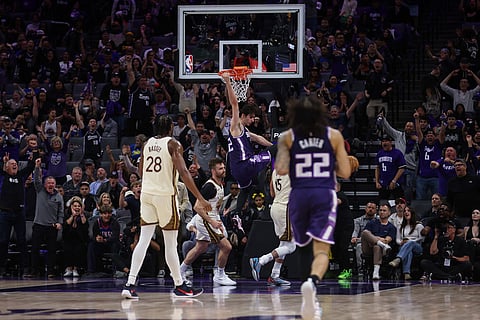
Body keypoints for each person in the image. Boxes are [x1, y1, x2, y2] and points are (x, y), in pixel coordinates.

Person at [274, 94, 351, 319]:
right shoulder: (333, 135)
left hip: (298, 195)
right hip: (322, 193)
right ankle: (311, 283)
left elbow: (280, 169)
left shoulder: (288, 137)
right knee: (322, 249)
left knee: (303, 246)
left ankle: (308, 291)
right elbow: (345, 172)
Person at [121, 115, 212, 299]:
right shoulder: (173, 144)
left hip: (146, 194)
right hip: (164, 196)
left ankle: (129, 284)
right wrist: (200, 198)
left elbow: (139, 171)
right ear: (171, 128)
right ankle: (180, 285)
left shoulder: (147, 144)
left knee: (144, 239)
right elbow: (185, 172)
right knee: (171, 243)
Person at [222, 73, 274, 215]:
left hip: (237, 170)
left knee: (245, 189)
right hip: (245, 164)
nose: (253, 120)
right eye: (251, 117)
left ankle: (236, 215)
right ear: (243, 116)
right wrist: (228, 82)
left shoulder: (244, 131)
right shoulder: (236, 126)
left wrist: (271, 145)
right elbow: (234, 103)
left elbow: (257, 138)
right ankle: (269, 206)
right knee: (273, 154)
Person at [179, 158, 236, 286]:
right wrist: (212, 222)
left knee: (201, 247)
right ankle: (219, 274)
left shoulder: (220, 183)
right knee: (226, 246)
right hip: (205, 220)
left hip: (212, 218)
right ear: (213, 171)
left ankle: (180, 271)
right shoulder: (209, 186)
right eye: (220, 168)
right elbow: (197, 207)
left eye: (224, 168)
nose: (223, 170)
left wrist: (217, 220)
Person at [249, 169, 296, 286]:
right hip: (286, 208)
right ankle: (260, 260)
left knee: (283, 244)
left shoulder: (275, 170)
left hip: (275, 206)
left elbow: (272, 193)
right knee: (291, 246)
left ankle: (274, 275)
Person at [0, 153, 35, 277]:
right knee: (3, 241)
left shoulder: (21, 176)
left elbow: (30, 167)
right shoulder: (3, 176)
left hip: (19, 213)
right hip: (5, 213)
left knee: (22, 241)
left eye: (16, 164)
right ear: (7, 167)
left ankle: (25, 268)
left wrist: (34, 155)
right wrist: (4, 162)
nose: (15, 165)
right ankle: (2, 268)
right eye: (12, 164)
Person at [29, 158, 64, 278]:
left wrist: (60, 222)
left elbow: (61, 211)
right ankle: (34, 271)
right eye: (48, 183)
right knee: (35, 249)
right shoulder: (40, 190)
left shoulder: (59, 196)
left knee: (52, 250)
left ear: (55, 185)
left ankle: (50, 271)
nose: (50, 185)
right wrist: (37, 167)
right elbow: (36, 180)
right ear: (45, 185)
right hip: (39, 224)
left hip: (52, 226)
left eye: (52, 183)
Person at [360, 203, 397, 280]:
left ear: (389, 213)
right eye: (380, 210)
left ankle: (376, 272)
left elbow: (387, 240)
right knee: (365, 232)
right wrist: (379, 239)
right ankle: (379, 244)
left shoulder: (391, 227)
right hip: (368, 248)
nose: (382, 212)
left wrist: (374, 238)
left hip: (383, 249)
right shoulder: (372, 223)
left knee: (377, 247)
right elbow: (366, 235)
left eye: (384, 210)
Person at [389, 206, 424, 280]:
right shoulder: (401, 227)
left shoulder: (419, 225)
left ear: (412, 213)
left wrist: (410, 241)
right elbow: (398, 239)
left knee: (410, 243)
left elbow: (421, 238)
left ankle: (398, 259)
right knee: (409, 251)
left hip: (417, 247)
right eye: (405, 211)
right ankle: (406, 274)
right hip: (405, 247)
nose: (406, 212)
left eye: (408, 211)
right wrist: (401, 242)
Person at [62, 196, 88, 277]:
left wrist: (81, 215)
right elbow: (66, 226)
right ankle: (69, 268)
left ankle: (76, 269)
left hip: (80, 239)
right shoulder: (67, 215)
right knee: (67, 247)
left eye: (79, 206)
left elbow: (85, 227)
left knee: (79, 248)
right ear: (71, 207)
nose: (77, 207)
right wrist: (73, 216)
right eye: (75, 206)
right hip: (68, 238)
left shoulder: (83, 216)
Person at [375, 134, 406, 201]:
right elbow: (377, 168)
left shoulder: (397, 153)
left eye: (386, 141)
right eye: (383, 141)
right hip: (383, 184)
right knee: (382, 203)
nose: (384, 143)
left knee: (399, 203)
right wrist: (377, 181)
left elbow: (402, 168)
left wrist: (394, 180)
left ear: (391, 142)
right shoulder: (379, 153)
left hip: (395, 184)